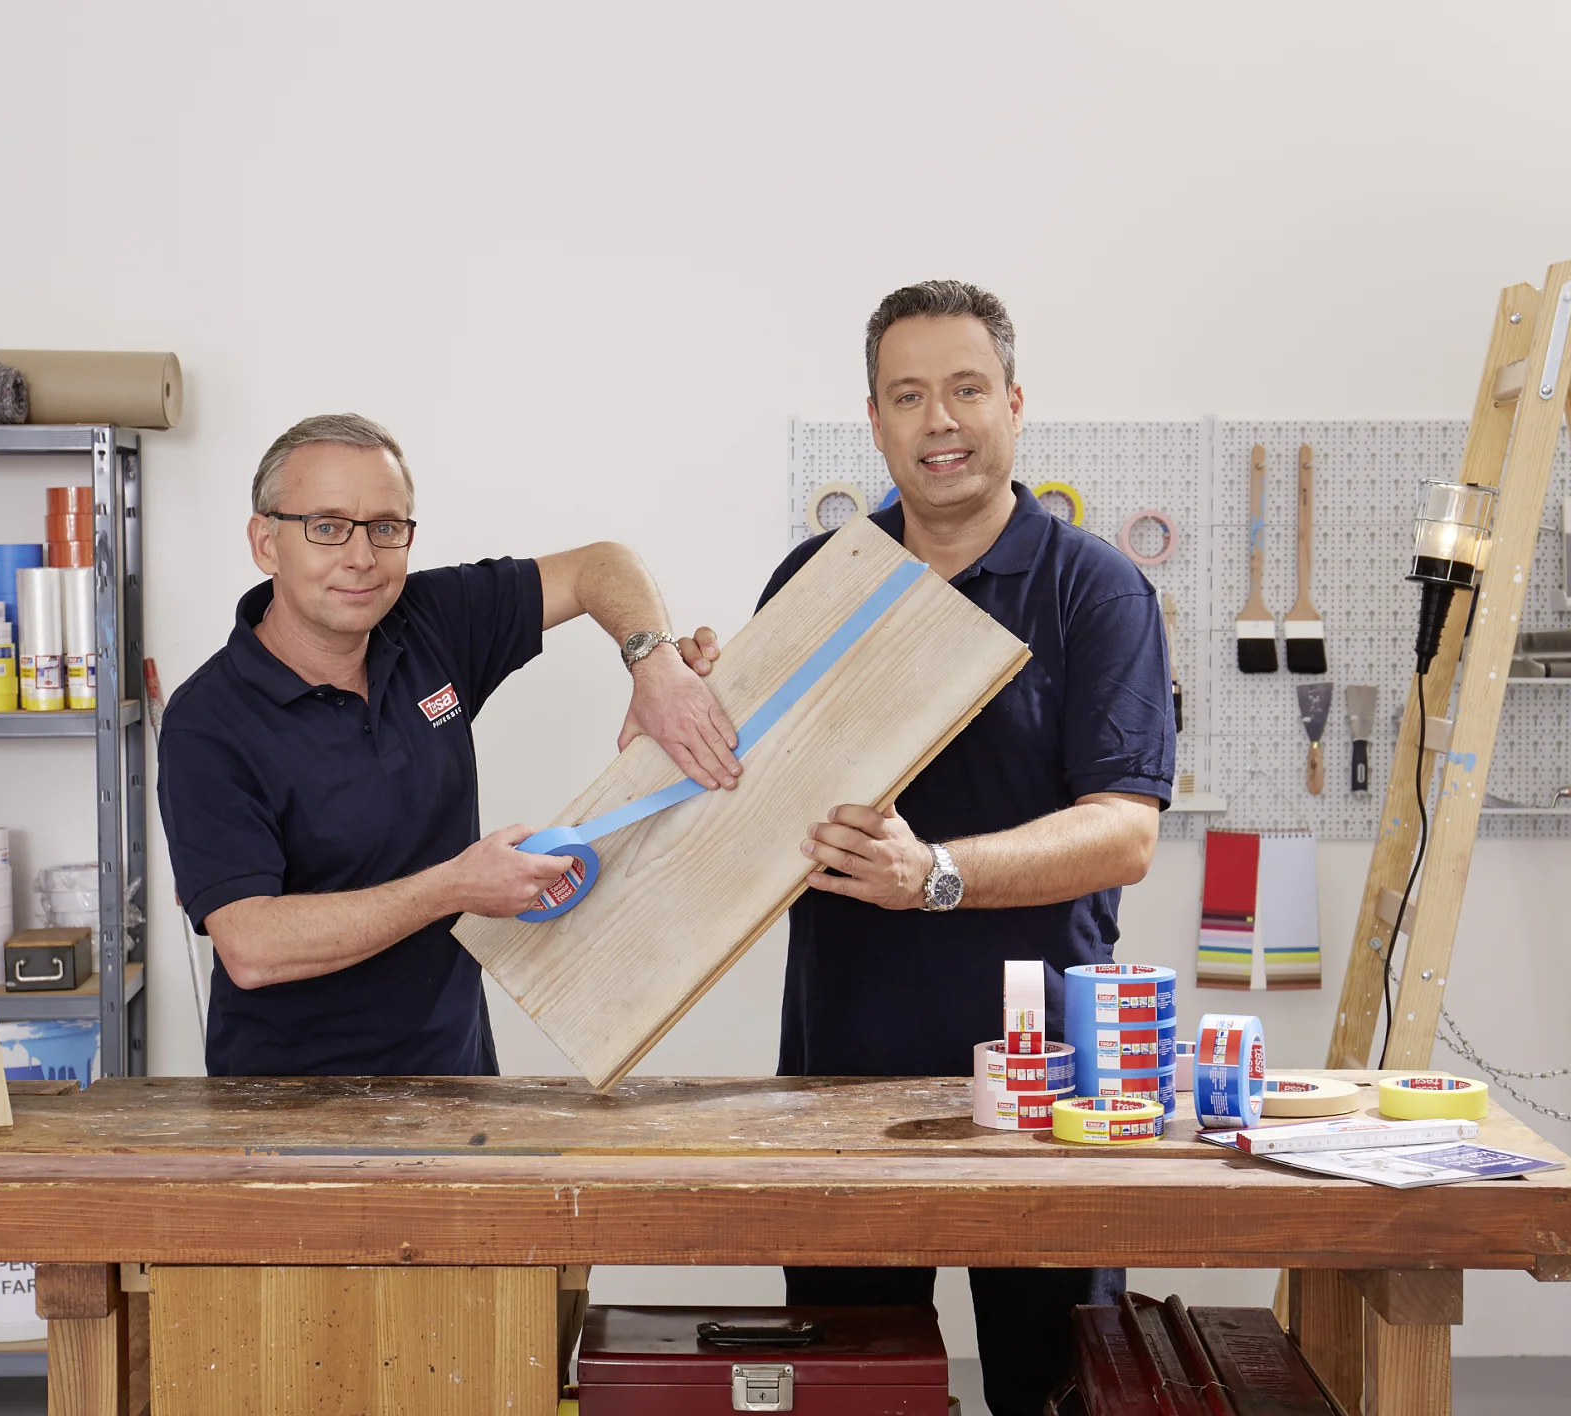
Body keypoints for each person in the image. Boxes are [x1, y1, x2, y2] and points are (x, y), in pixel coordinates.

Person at [685, 281, 1173, 1416]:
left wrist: (935, 876)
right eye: (908, 395)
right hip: (840, 1079)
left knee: (1051, 1392)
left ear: (1012, 403)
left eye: (963, 389)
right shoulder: (820, 582)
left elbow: (1125, 832)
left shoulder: (1091, 590)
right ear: (873, 420)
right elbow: (751, 801)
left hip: (1042, 1089)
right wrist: (684, 707)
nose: (938, 420)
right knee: (853, 1393)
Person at [158, 412, 739, 1078]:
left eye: (386, 528)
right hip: (289, 1110)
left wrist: (654, 663)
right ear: (266, 542)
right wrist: (456, 887)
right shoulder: (208, 721)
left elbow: (602, 565)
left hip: (455, 1081)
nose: (361, 557)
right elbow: (252, 946)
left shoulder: (430, 621)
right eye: (326, 527)